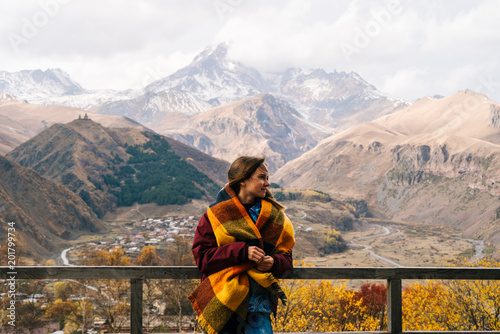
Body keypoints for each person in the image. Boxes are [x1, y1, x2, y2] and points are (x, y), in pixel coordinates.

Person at [189, 156, 295, 334]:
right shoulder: (214, 216)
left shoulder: (276, 218)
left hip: (259, 307)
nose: (267, 184)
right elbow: (203, 259)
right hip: (223, 302)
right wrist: (242, 251)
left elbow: (287, 260)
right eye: (262, 177)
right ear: (243, 180)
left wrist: (274, 262)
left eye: (267, 178)